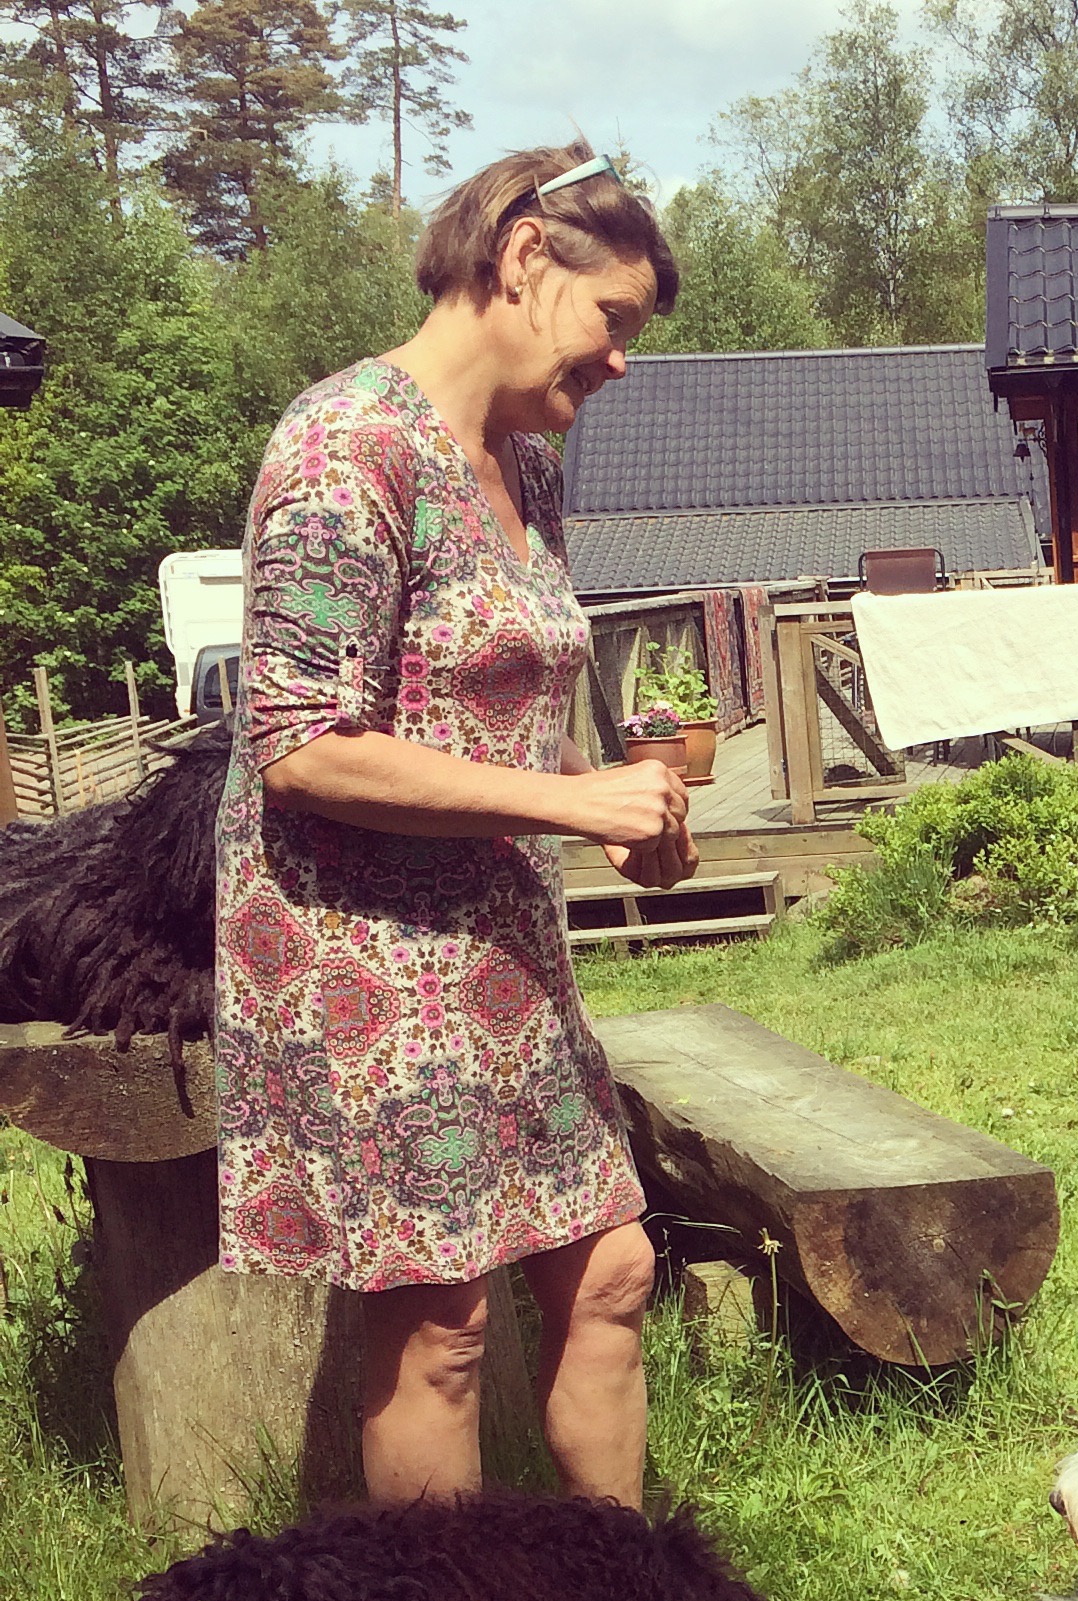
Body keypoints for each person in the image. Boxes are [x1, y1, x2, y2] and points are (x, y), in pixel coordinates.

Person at [216, 141, 695, 1509]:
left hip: (499, 945)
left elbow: (500, 708)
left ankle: (617, 1598)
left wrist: (611, 811)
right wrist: (566, 801)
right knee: (443, 1329)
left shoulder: (525, 465)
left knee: (610, 1269)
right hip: (363, 953)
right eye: (614, 318)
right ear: (525, 259)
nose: (622, 362)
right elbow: (301, 744)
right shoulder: (344, 447)